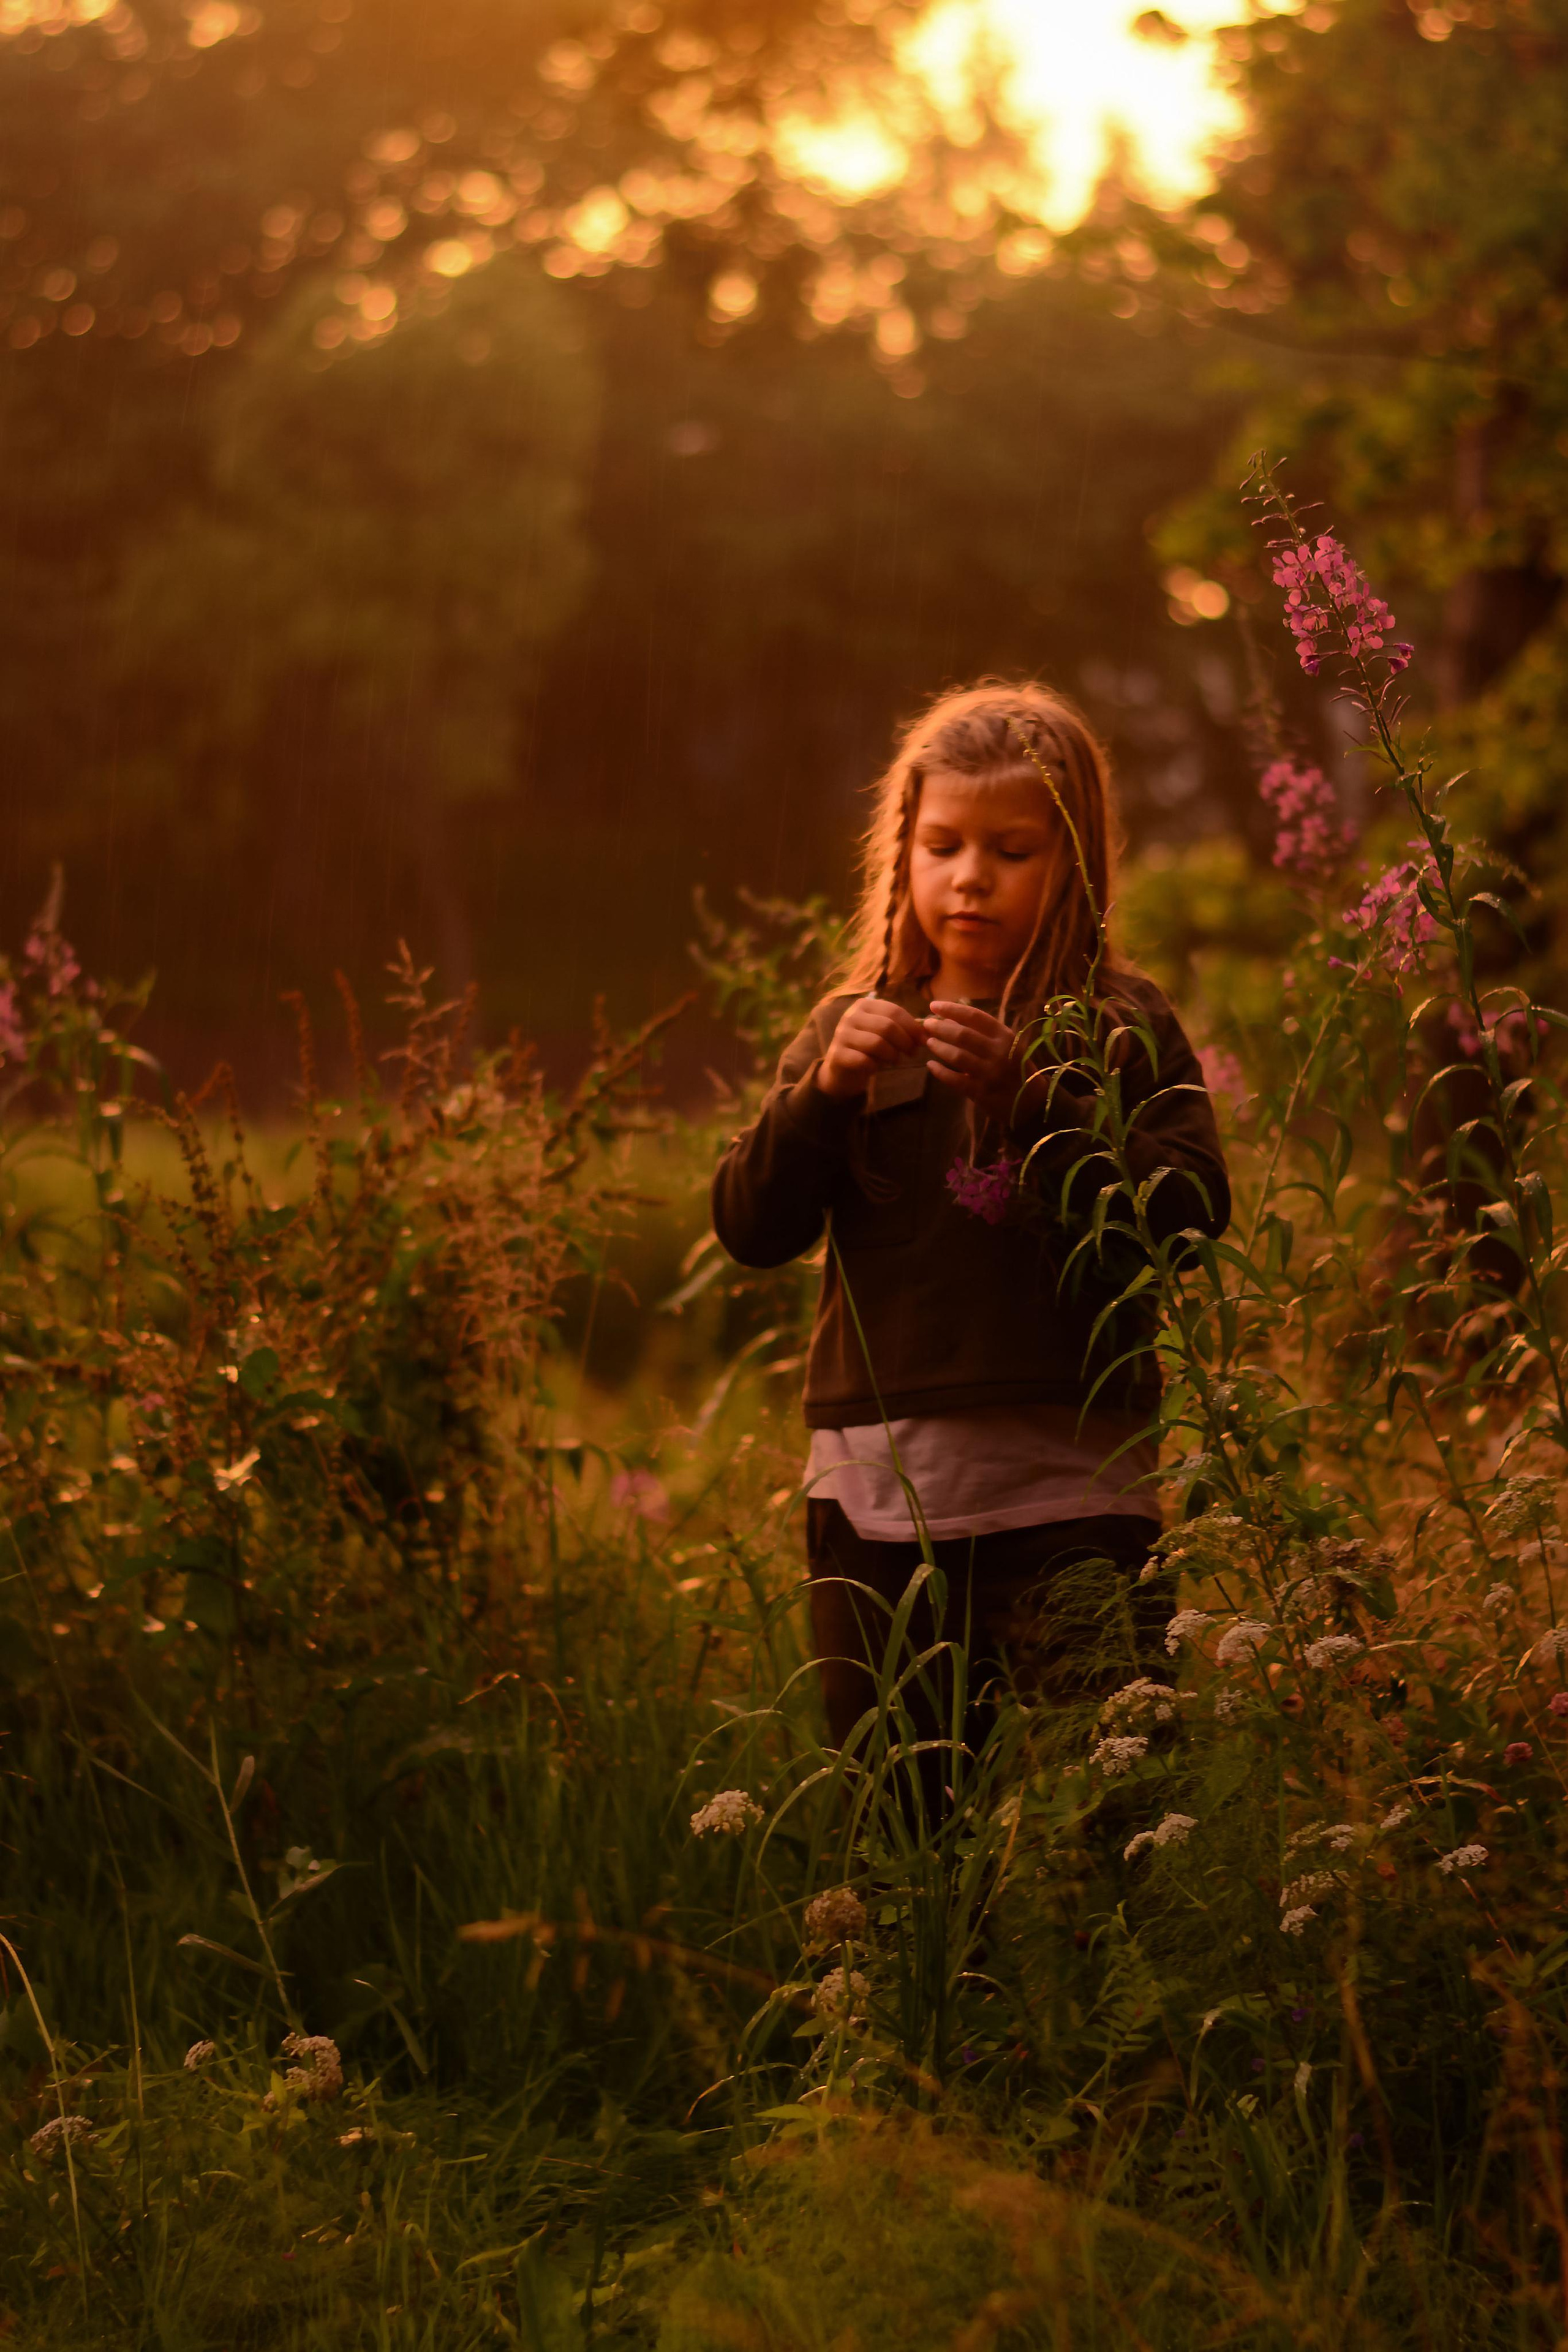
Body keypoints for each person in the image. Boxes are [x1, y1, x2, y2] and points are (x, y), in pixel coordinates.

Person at [710, 682, 1229, 1809]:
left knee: (1128, 1830)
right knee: (904, 1842)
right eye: (940, 845)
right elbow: (751, 1226)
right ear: (902, 856)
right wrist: (823, 1092)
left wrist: (1035, 1098)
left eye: (1012, 848)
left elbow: (1187, 1212)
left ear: (1077, 858)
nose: (970, 877)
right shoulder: (849, 1033)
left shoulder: (1119, 1027)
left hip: (1074, 1502)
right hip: (874, 1517)